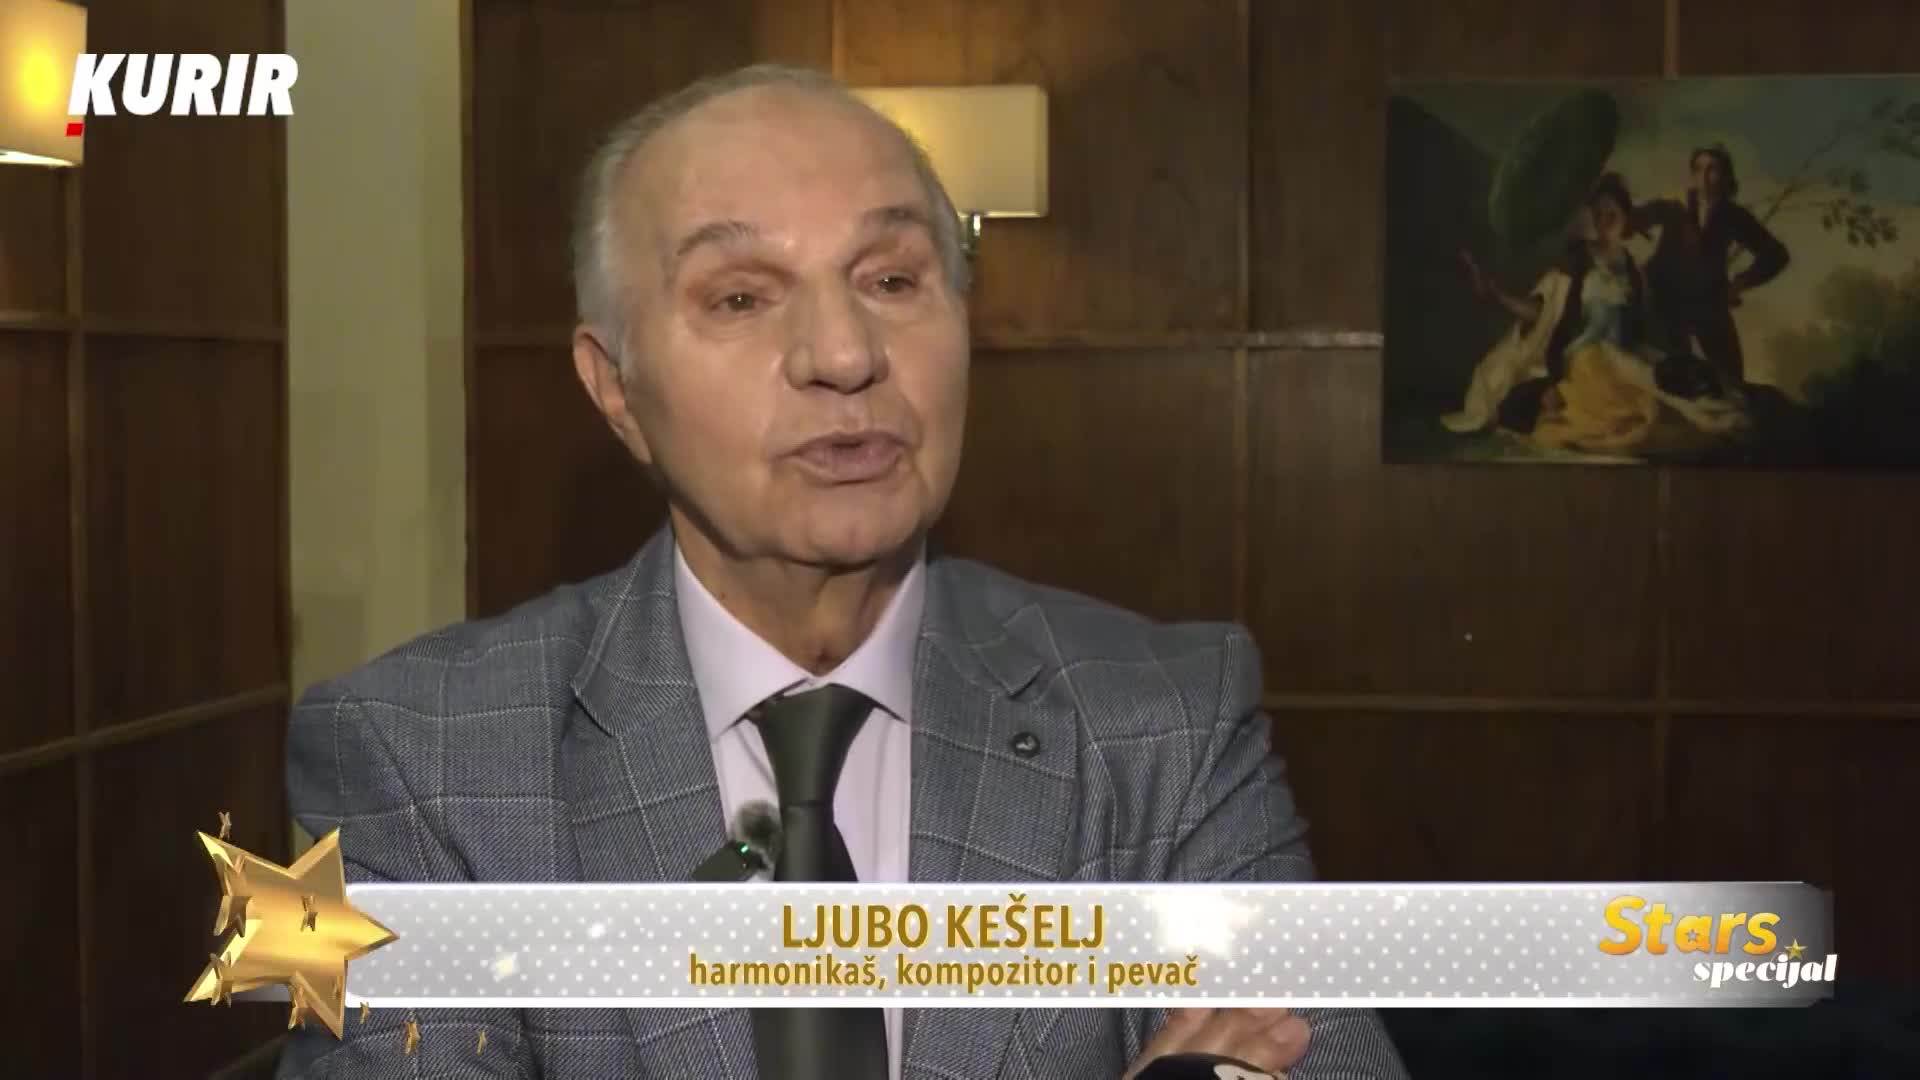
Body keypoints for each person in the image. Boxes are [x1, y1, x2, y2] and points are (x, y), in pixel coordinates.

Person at [274, 65, 1406, 1080]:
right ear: (614, 386)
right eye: (740, 297)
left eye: (893, 280)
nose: (846, 355)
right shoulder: (416, 756)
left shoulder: (1166, 722)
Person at [1447, 174, 1746, 454]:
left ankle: (1703, 412)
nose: (1605, 219)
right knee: (1625, 382)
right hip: (1586, 359)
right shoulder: (1577, 261)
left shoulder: (1633, 270)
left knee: (1663, 390)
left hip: (1623, 355)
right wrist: (1497, 294)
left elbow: (1642, 326)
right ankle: (1697, 414)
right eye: (1599, 213)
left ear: (1625, 215)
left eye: (1611, 212)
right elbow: (1541, 312)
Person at [1634, 144, 1790, 382]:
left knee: (1732, 380)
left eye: (1712, 169)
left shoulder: (1732, 215)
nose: (1704, 177)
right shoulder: (1675, 205)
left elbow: (1777, 254)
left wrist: (1740, 283)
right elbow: (1630, 219)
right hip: (1664, 297)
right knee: (1670, 371)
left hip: (1708, 302)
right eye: (1698, 169)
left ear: (1725, 176)